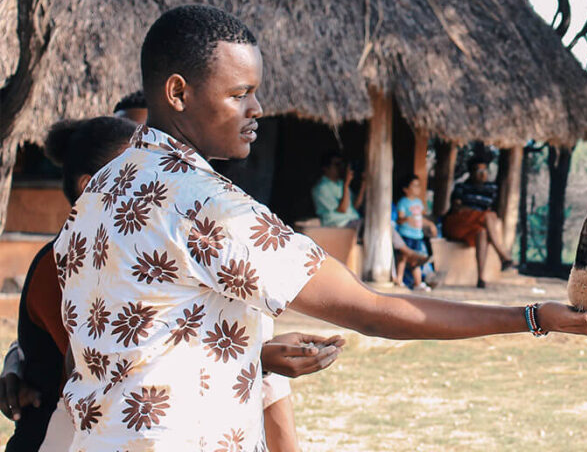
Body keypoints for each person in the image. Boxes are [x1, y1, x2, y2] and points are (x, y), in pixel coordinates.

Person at [51, 4, 587, 450]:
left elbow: (141, 340)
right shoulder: (203, 203)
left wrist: (253, 354)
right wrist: (534, 317)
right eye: (240, 94)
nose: (257, 109)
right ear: (178, 93)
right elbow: (371, 311)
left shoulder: (104, 190)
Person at [1, 116, 341, 452]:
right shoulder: (70, 261)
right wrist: (259, 357)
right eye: (133, 171)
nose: (154, 178)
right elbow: (110, 366)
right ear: (90, 186)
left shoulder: (155, 252)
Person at [442, 156, 516, 288]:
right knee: (488, 216)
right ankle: (502, 255)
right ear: (471, 172)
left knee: (482, 232)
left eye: (485, 171)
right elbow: (457, 209)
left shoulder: (491, 189)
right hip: (458, 224)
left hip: (475, 226)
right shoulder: (461, 187)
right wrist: (478, 213)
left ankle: (481, 277)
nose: (482, 174)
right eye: (478, 171)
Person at [394, 174, 436, 291]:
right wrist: (407, 219)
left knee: (416, 260)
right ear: (406, 189)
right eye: (414, 185)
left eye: (418, 185)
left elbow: (420, 218)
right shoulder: (403, 202)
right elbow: (399, 219)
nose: (418, 188)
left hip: (417, 235)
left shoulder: (419, 202)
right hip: (406, 234)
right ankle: (399, 280)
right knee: (403, 257)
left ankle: (418, 283)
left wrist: (430, 224)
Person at [311, 151, 364, 230]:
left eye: (342, 164)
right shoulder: (321, 188)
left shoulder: (340, 184)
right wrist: (346, 185)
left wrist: (364, 183)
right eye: (337, 165)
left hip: (353, 221)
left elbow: (355, 206)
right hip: (340, 224)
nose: (341, 168)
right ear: (325, 168)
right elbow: (342, 209)